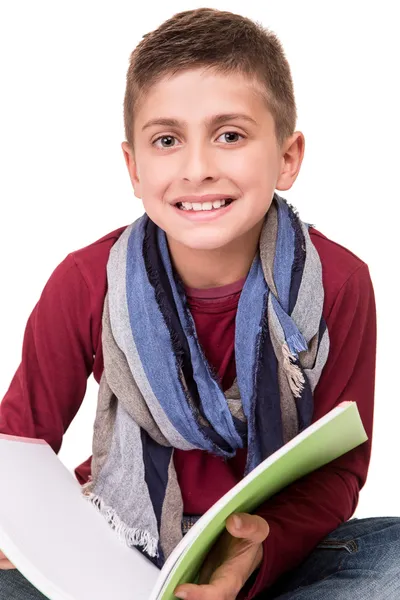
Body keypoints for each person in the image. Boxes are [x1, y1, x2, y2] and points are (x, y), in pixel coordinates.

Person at [0, 7, 399, 600]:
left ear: (288, 158)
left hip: (262, 553)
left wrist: (256, 549)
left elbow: (337, 471)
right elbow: (21, 443)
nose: (198, 169)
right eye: (167, 140)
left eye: (230, 135)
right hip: (117, 539)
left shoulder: (338, 283)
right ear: (134, 168)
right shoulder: (88, 281)